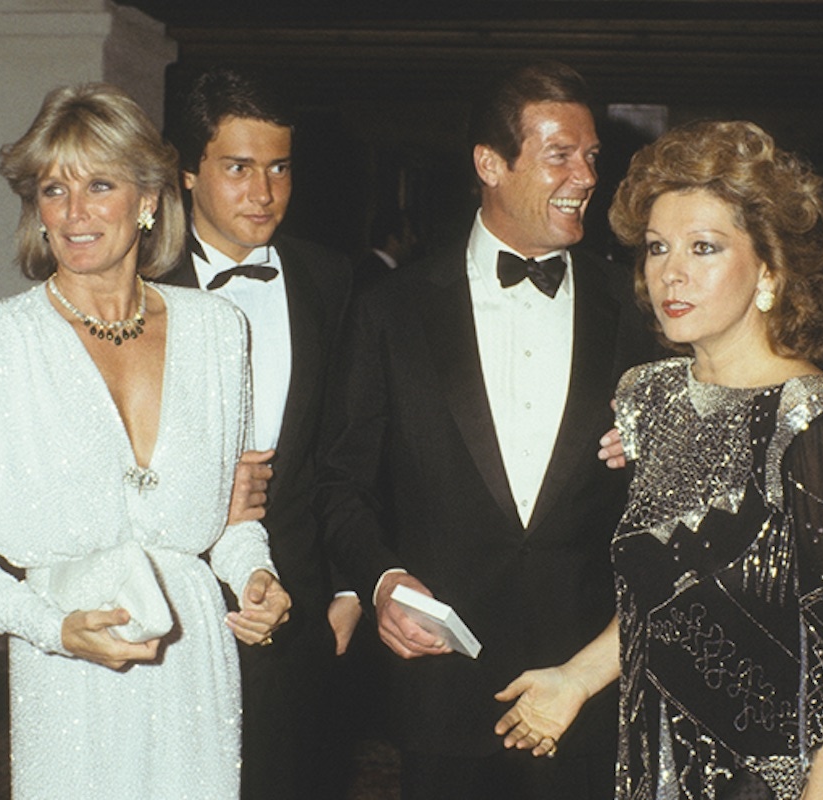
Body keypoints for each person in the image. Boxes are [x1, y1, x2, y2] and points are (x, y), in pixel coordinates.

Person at [494, 120, 823, 800]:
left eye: (703, 248)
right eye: (656, 248)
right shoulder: (651, 397)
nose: (669, 272)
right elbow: (662, 592)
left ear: (770, 271)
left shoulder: (814, 422)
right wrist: (577, 679)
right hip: (656, 765)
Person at [0, 83, 291, 799]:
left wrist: (257, 580)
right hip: (70, 673)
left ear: (148, 198)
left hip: (195, 664)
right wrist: (49, 628)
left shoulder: (217, 331)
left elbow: (234, 520)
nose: (74, 213)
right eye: (53, 190)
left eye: (99, 184)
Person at [317, 61, 658, 800]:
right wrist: (379, 582)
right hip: (443, 689)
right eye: (560, 154)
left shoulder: (636, 309)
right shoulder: (390, 310)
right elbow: (340, 485)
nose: (586, 175)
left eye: (593, 155)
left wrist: (653, 448)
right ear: (489, 164)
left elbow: (679, 490)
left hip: (586, 690)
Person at [157, 67, 356, 800]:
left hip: (295, 607)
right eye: (238, 168)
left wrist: (348, 586)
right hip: (167, 603)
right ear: (187, 172)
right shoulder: (139, 286)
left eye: (279, 169)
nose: (264, 193)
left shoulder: (331, 281)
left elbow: (347, 449)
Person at [355, 206, 419, 289]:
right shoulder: (383, 277)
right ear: (393, 240)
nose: (414, 240)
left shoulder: (366, 268)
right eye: (408, 236)